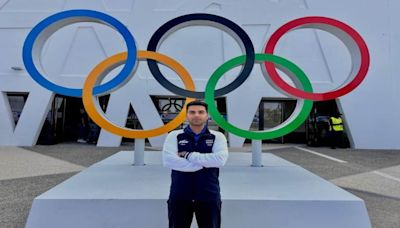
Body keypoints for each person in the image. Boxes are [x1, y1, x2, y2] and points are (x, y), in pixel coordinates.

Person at [162, 100, 229, 228]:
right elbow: (168, 160)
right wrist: (204, 163)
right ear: (187, 115)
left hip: (208, 195)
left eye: (200, 112)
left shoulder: (217, 136)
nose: (196, 115)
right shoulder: (174, 136)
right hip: (180, 194)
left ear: (207, 115)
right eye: (192, 112)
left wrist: (188, 156)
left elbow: (220, 160)